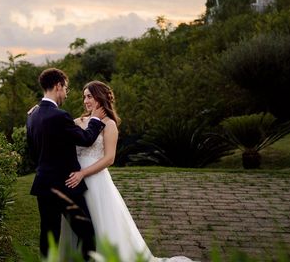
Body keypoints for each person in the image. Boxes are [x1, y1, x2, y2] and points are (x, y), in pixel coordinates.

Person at [62, 80, 195, 262]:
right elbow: (58, 129)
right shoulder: (79, 121)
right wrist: (38, 112)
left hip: (95, 182)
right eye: (84, 97)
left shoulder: (109, 125)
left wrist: (83, 174)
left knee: (102, 223)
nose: (86, 101)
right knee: (79, 224)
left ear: (100, 98)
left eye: (90, 96)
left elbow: (109, 158)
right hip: (74, 183)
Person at [27, 68, 107, 260]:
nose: (66, 93)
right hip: (66, 185)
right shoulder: (60, 116)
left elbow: (33, 152)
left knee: (49, 235)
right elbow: (86, 139)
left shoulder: (32, 115)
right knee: (87, 233)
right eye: (66, 89)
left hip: (43, 184)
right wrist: (95, 119)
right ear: (58, 86)